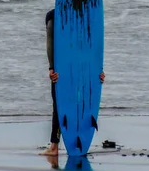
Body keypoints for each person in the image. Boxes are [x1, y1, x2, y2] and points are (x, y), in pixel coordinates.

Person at [42, 9, 105, 156]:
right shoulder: (89, 16)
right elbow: (94, 45)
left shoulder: (53, 16)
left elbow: (50, 42)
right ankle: (72, 144)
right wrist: (98, 71)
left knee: (59, 104)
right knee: (81, 102)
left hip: (63, 69)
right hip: (84, 69)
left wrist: (51, 67)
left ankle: (54, 146)